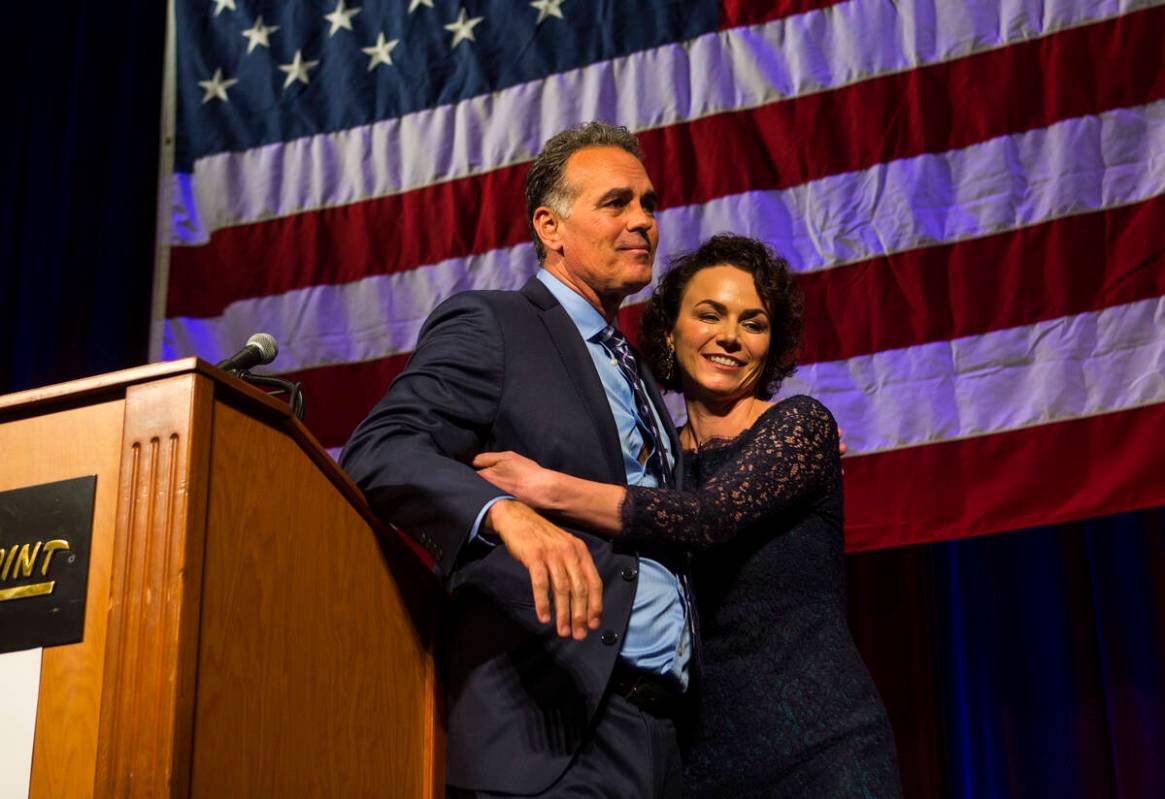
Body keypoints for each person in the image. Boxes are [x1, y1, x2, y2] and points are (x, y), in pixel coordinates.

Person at [473, 234, 903, 797]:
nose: (729, 336)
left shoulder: (802, 427)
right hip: (696, 766)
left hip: (823, 750)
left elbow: (707, 517)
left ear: (771, 346)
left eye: (753, 323)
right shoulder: (655, 462)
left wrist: (543, 487)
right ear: (670, 332)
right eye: (709, 314)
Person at [341, 122, 693, 797]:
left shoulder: (637, 372)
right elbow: (381, 447)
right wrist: (502, 512)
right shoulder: (495, 324)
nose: (642, 221)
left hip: (663, 740)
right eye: (615, 203)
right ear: (549, 226)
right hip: (551, 733)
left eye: (648, 204)